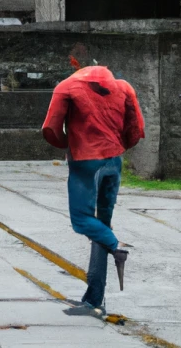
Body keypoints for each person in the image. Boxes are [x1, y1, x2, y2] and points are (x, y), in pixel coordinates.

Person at [42, 62, 145, 319]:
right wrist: (117, 146)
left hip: (86, 162)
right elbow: (136, 129)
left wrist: (69, 143)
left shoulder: (66, 87)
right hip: (114, 162)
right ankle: (94, 301)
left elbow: (51, 129)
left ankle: (117, 246)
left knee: (81, 220)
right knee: (101, 225)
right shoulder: (123, 88)